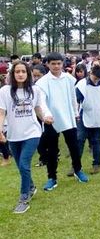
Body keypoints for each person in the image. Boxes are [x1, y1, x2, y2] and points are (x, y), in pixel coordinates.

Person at [0, 61, 53, 213]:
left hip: (32, 133)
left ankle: (24, 198)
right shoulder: (5, 91)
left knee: (24, 164)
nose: (21, 74)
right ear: (13, 74)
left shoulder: (35, 90)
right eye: (17, 72)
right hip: (13, 135)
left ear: (28, 74)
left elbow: (38, 108)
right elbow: (2, 112)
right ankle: (31, 186)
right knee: (20, 166)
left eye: (23, 71)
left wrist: (44, 118)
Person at [35, 52, 89, 190]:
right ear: (47, 64)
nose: (56, 66)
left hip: (68, 117)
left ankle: (78, 170)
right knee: (52, 150)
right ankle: (52, 178)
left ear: (62, 64)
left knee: (74, 146)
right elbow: (42, 102)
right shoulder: (42, 82)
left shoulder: (69, 79)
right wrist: (47, 115)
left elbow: (72, 97)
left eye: (59, 63)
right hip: (50, 120)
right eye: (53, 64)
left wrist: (76, 113)